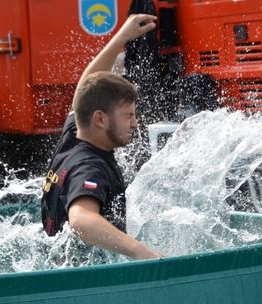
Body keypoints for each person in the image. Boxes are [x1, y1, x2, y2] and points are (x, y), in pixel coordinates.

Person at [41, 14, 162, 260]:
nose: (135, 123)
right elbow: (81, 220)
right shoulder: (90, 167)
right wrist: (142, 252)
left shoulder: (74, 136)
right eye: (128, 115)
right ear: (100, 119)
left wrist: (122, 38)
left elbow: (86, 89)